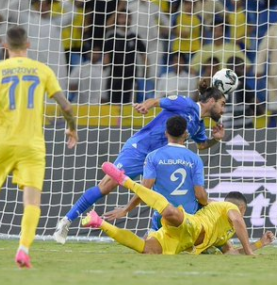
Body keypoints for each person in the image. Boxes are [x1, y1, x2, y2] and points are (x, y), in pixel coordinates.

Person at [0, 26, 78, 268]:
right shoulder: (42, 70)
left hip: (2, 142)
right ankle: (23, 250)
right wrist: (72, 129)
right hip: (32, 144)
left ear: (5, 46)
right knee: (32, 201)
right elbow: (66, 107)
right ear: (29, 45)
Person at [53, 80, 227, 244]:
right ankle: (66, 220)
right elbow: (156, 101)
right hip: (140, 148)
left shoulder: (198, 125)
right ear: (211, 100)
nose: (223, 110)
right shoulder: (185, 103)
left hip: (159, 159)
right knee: (106, 186)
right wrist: (145, 105)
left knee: (161, 194)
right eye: (222, 104)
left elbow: (202, 145)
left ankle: (155, 235)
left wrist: (216, 139)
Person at [82, 162, 275, 255]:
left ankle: (98, 222)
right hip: (193, 226)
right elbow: (237, 220)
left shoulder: (224, 236)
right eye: (241, 213)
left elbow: (231, 253)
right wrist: (250, 252)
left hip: (180, 242)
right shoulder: (229, 207)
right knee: (170, 212)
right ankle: (126, 181)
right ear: (242, 209)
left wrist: (259, 245)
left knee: (144, 249)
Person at [104, 115, 208, 232]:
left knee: (147, 246)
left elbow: (145, 190)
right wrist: (206, 203)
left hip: (163, 218)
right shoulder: (195, 159)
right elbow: (200, 195)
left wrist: (126, 209)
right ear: (185, 133)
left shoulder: (153, 157)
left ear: (166, 133)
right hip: (189, 218)